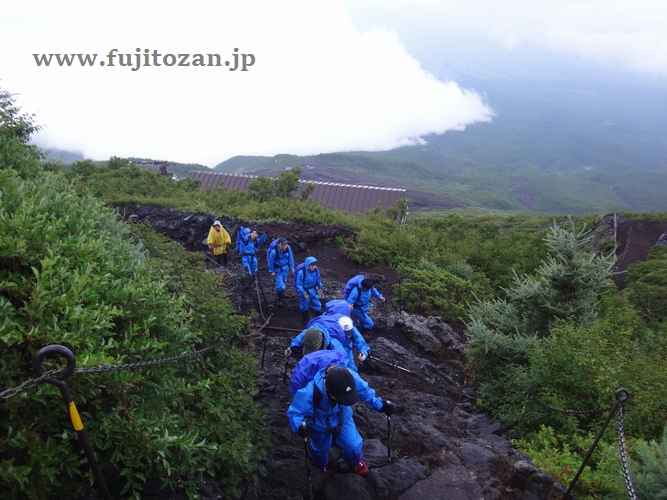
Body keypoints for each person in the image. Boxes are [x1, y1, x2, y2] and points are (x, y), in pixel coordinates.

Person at [287, 364, 394, 476]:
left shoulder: (348, 378)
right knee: (320, 449)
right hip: (319, 421)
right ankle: (320, 465)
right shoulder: (310, 392)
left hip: (343, 415)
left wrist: (380, 405)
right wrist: (299, 427)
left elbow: (365, 391)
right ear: (330, 392)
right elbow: (295, 412)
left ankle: (354, 462)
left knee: (354, 445)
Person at [305, 314, 369, 372]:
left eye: (348, 332)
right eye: (344, 333)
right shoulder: (331, 331)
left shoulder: (351, 328)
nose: (347, 335)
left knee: (351, 368)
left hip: (347, 348)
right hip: (332, 350)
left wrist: (363, 352)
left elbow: (360, 341)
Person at [295, 256, 326, 321]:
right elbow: (299, 285)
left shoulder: (316, 270)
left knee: (317, 304)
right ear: (308, 265)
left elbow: (318, 280)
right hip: (304, 291)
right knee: (304, 306)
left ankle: (319, 319)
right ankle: (305, 319)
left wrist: (321, 287)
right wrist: (304, 293)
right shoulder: (301, 273)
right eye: (311, 265)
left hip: (313, 290)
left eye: (314, 265)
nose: (313, 267)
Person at [268, 237, 294, 306]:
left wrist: (291, 267)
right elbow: (270, 262)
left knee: (283, 282)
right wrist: (272, 271)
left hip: (285, 269)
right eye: (283, 245)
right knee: (281, 286)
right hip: (278, 271)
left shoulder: (288, 248)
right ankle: (279, 299)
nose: (285, 246)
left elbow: (290, 258)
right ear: (279, 244)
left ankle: (281, 297)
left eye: (285, 244)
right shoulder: (274, 252)